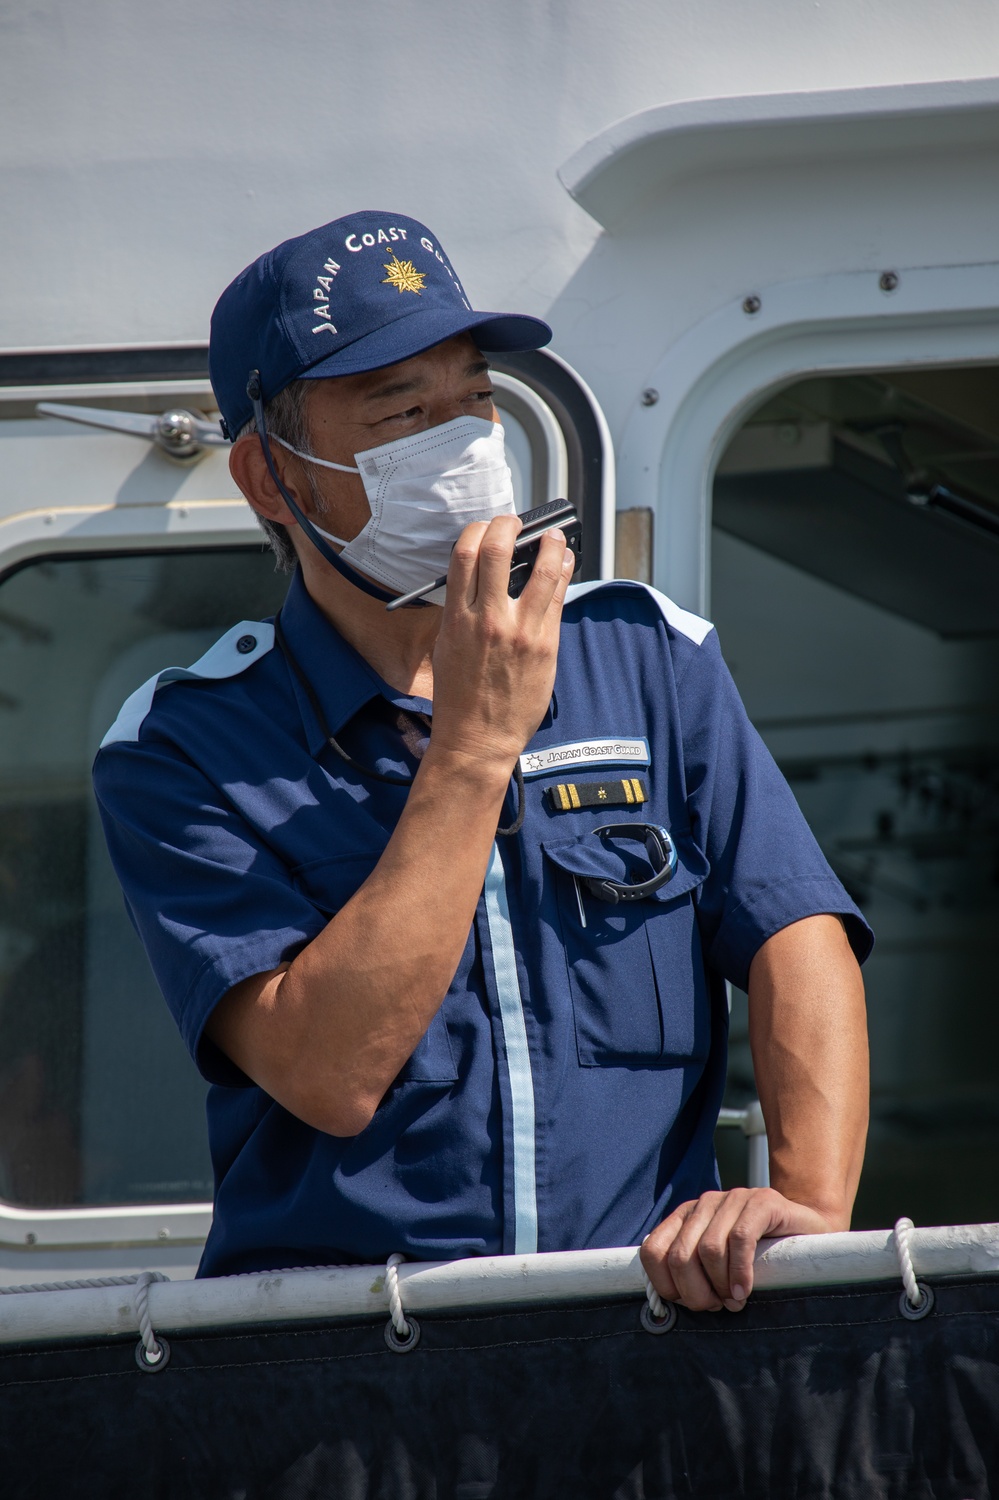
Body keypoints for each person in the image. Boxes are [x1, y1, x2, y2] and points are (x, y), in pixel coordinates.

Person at [93, 211, 872, 1313]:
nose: (459, 443)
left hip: (641, 1348)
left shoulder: (648, 655)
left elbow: (799, 937)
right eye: (401, 410)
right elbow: (329, 1069)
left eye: (474, 400)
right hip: (352, 1386)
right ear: (271, 478)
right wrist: (473, 744)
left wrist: (808, 1216)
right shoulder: (182, 749)